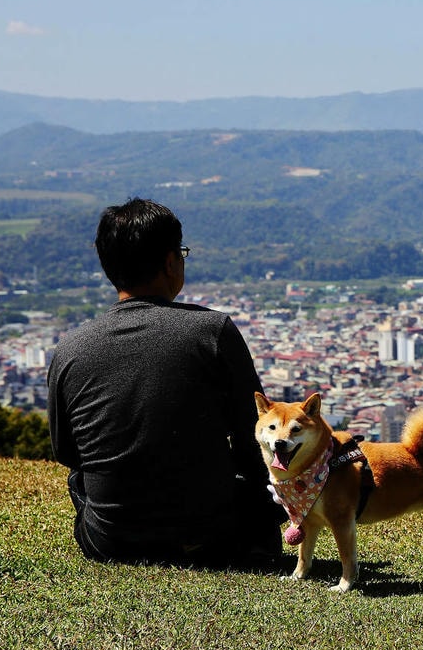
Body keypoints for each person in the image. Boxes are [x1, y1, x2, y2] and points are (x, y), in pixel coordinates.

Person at [47, 198, 284, 566]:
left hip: (110, 542)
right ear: (171, 262)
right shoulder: (212, 332)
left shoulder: (70, 350)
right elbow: (254, 440)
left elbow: (68, 453)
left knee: (79, 479)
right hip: (216, 538)